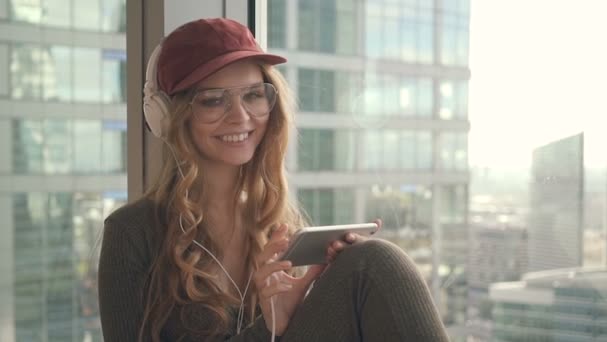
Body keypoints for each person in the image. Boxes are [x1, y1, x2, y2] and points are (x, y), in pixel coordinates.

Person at [98, 17, 449, 342]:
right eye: (213, 101)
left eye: (253, 95)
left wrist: (328, 283)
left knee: (368, 261)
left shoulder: (278, 226)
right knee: (374, 263)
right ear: (167, 116)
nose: (241, 116)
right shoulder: (132, 233)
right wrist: (268, 326)